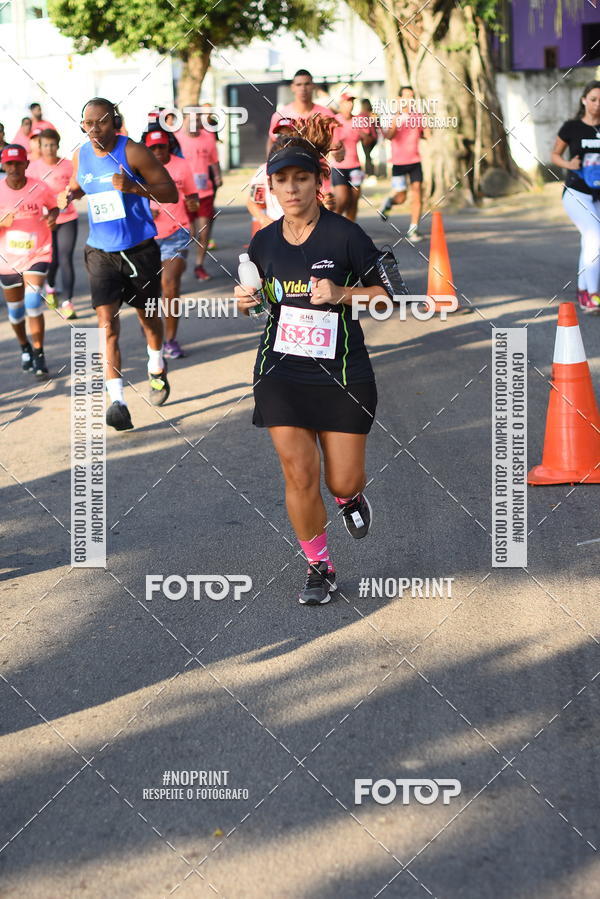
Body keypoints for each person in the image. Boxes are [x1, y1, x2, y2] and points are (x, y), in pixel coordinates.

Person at [234, 117, 394, 605]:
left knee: (340, 479)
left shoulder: (345, 236)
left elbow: (388, 299)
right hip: (281, 369)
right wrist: (248, 300)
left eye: (300, 178)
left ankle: (349, 499)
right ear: (271, 185)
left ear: (318, 180)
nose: (290, 189)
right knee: (298, 472)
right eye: (280, 180)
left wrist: (344, 292)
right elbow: (262, 297)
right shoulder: (262, 242)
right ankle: (319, 566)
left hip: (343, 372)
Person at [60, 97, 178, 431]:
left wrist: (133, 186)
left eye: (100, 122)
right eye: (87, 123)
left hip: (139, 250)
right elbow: (79, 185)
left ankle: (156, 365)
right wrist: (69, 196)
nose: (93, 129)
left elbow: (170, 193)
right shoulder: (81, 154)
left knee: (148, 318)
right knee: (106, 325)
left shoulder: (134, 152)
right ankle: (118, 403)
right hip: (100, 253)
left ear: (115, 122)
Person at [0, 144, 58, 376]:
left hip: (38, 253)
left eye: (18, 163)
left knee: (33, 302)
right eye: (9, 163)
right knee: (15, 311)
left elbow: (54, 207)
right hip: (8, 259)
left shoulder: (39, 187)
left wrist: (53, 217)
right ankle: (25, 346)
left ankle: (39, 352)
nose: (14, 168)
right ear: (3, 165)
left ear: (26, 164)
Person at [145, 129, 199, 358]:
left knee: (170, 284)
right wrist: (147, 211)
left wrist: (194, 205)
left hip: (177, 232)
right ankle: (152, 331)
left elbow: (192, 195)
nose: (158, 151)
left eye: (162, 146)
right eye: (153, 148)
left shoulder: (181, 165)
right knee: (150, 290)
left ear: (169, 146)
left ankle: (170, 340)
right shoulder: (139, 168)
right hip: (147, 236)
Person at [552, 80, 600, 312]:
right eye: (593, 99)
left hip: (598, 195)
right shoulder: (571, 127)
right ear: (584, 100)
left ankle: (583, 292)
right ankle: (593, 294)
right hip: (576, 192)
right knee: (594, 236)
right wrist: (569, 164)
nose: (597, 104)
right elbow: (555, 155)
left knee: (590, 241)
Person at [28, 128, 78, 319]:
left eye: (52, 145)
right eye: (45, 145)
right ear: (40, 147)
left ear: (58, 145)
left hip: (67, 218)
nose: (49, 149)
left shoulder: (67, 165)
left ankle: (67, 302)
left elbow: (76, 188)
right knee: (53, 260)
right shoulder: (33, 168)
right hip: (44, 221)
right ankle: (50, 287)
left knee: (66, 258)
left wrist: (70, 195)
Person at [378, 86, 430, 242]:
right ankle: (389, 202)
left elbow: (425, 135)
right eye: (406, 96)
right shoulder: (391, 115)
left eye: (412, 96)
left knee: (417, 194)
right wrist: (397, 119)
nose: (409, 99)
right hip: (399, 163)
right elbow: (388, 135)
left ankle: (413, 230)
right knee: (401, 197)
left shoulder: (418, 115)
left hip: (415, 161)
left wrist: (427, 126)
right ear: (399, 99)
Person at [177, 112, 220, 281]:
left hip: (205, 192)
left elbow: (214, 160)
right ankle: (178, 264)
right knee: (190, 233)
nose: (195, 124)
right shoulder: (177, 138)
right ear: (184, 121)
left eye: (197, 121)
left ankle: (199, 265)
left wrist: (217, 175)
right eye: (191, 120)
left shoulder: (208, 137)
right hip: (184, 194)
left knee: (204, 232)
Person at [266, 69, 335, 154]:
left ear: (313, 86)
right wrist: (271, 162)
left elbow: (336, 143)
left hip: (319, 166)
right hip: (289, 164)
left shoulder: (326, 115)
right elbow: (272, 141)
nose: (303, 88)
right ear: (292, 87)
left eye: (307, 84)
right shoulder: (280, 115)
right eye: (299, 84)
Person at [331, 93, 371, 221]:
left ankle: (350, 230)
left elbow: (368, 142)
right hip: (339, 167)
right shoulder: (334, 121)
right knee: (342, 199)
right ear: (341, 104)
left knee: (354, 200)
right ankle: (334, 226)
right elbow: (329, 143)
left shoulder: (358, 121)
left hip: (355, 165)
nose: (350, 104)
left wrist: (364, 135)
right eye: (347, 102)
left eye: (352, 102)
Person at [360, 99, 378, 177]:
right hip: (374, 137)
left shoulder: (362, 114)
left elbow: (365, 130)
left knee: (367, 157)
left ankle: (369, 174)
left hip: (366, 138)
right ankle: (370, 173)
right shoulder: (373, 114)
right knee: (368, 156)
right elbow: (378, 125)